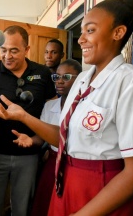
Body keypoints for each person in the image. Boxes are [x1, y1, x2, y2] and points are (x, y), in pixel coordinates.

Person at [0, 0, 133, 215]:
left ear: (118, 33)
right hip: (68, 182)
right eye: (82, 31)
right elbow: (65, 136)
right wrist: (23, 117)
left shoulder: (132, 84)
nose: (81, 39)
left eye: (90, 30)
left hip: (103, 192)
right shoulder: (83, 80)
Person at [0, 25, 56, 216]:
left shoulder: (43, 74)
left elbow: (52, 111)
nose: (7, 56)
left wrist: (41, 140)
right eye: (3, 50)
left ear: (27, 50)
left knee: (22, 209)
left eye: (14, 50)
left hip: (29, 155)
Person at [30, 59, 82, 216]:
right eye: (56, 77)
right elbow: (41, 137)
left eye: (66, 77)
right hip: (53, 163)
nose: (59, 81)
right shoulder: (49, 106)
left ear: (79, 79)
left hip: (75, 163)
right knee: (46, 202)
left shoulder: (85, 107)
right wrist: (30, 140)